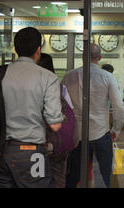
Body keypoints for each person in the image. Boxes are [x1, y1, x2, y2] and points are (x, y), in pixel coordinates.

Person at [0, 27, 63, 188]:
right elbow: (55, 124)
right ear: (38, 50)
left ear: (16, 50)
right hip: (32, 153)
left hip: (0, 152)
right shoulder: (48, 77)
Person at [63, 43, 124, 188]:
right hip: (101, 134)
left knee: (72, 179)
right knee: (103, 179)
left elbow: (62, 106)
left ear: (83, 57)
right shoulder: (108, 77)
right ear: (100, 57)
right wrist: (116, 129)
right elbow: (118, 107)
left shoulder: (68, 77)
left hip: (76, 136)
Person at [37, 52, 76, 188]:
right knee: (58, 179)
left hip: (39, 144)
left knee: (37, 180)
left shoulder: (34, 86)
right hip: (59, 146)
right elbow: (70, 114)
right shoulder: (60, 87)